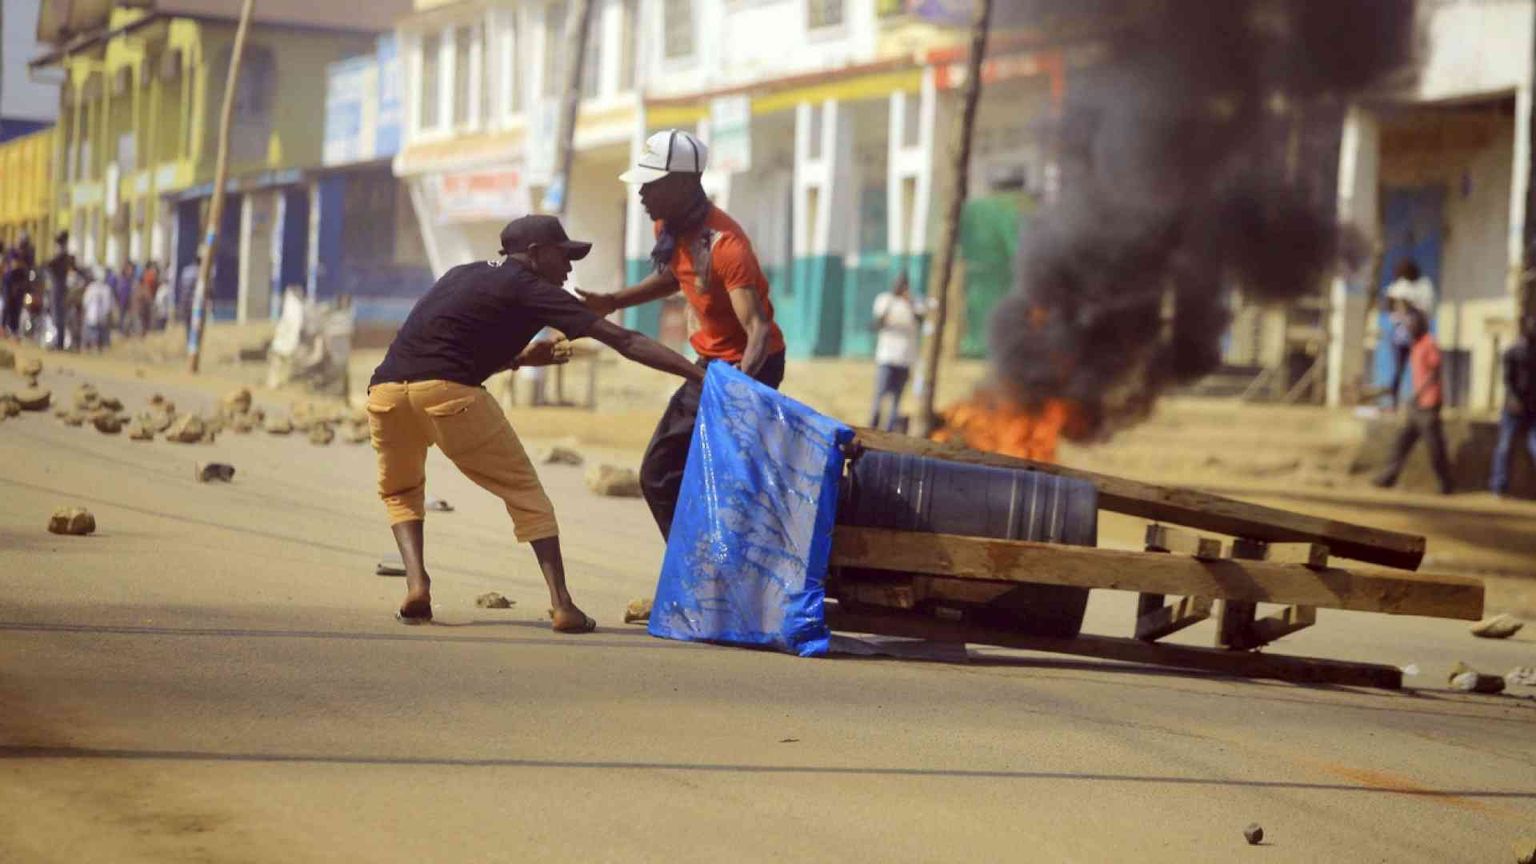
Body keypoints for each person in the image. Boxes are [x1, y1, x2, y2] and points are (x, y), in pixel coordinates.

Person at [367, 214, 705, 628]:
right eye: (563, 256)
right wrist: (700, 376)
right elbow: (625, 340)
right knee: (527, 495)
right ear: (534, 253)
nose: (568, 268)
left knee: (401, 491)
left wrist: (521, 359)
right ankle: (562, 605)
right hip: (448, 395)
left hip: (385, 393)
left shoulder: (461, 275)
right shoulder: (535, 289)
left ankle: (417, 585)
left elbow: (441, 346)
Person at [577, 129, 788, 540]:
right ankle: (694, 559)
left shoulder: (726, 246)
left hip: (750, 368)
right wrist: (613, 300)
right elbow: (676, 276)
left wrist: (736, 391)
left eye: (650, 184)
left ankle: (723, 558)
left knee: (711, 476)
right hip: (710, 365)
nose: (641, 194)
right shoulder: (668, 227)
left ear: (683, 183)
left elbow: (758, 329)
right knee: (660, 473)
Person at [1374, 307, 1454, 494]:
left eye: (1412, 324)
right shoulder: (1415, 345)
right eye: (1408, 324)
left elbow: (1434, 372)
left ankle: (1446, 484)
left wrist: (1418, 392)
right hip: (1417, 405)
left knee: (1435, 447)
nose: (1409, 327)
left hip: (1429, 404)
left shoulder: (1429, 343)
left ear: (1421, 325)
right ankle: (1388, 478)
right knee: (1401, 443)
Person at [869, 273, 925, 431]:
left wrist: (909, 302)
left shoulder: (915, 302)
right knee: (880, 395)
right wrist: (892, 303)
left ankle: (889, 429)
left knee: (897, 399)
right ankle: (873, 425)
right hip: (887, 356)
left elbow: (921, 320)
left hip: (905, 358)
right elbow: (878, 323)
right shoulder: (884, 300)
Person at [1490, 314, 1536, 497]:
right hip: (1513, 408)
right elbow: (1507, 380)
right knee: (1504, 445)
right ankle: (1498, 486)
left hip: (1532, 408)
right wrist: (1514, 400)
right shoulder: (1513, 352)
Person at [1384, 259, 1435, 409]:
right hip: (1401, 337)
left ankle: (1418, 401)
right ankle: (1394, 402)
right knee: (1399, 369)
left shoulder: (1423, 286)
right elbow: (1390, 305)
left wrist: (1410, 306)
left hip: (1416, 338)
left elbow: (1425, 310)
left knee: (1419, 369)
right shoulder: (1399, 288)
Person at [44, 231, 90, 350]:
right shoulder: (66, 257)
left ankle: (60, 343)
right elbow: (77, 269)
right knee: (59, 316)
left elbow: (49, 265)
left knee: (59, 316)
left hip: (59, 289)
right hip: (62, 289)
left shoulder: (62, 257)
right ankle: (60, 342)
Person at [81, 268, 115, 352]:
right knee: (99, 331)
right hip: (99, 315)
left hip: (93, 314)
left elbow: (85, 301)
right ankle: (97, 346)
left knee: (93, 331)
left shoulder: (92, 287)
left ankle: (94, 346)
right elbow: (109, 304)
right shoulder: (106, 288)